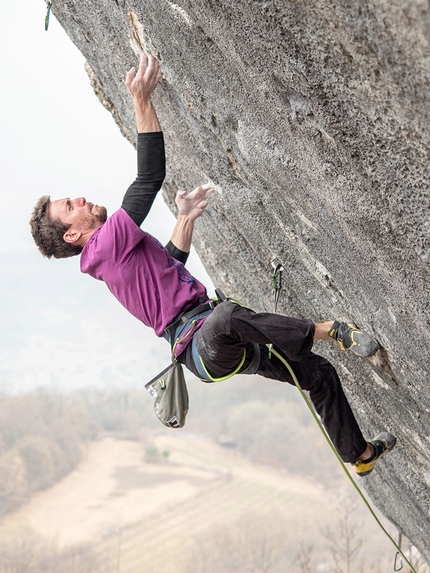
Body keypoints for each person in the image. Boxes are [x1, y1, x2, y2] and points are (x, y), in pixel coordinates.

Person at [29, 53, 395, 477]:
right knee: (225, 318)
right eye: (70, 206)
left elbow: (170, 266)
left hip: (211, 338)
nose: (79, 198)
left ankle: (361, 455)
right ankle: (331, 331)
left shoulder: (111, 255)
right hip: (202, 345)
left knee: (317, 373)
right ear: (72, 234)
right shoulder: (103, 245)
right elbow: (149, 178)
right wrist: (142, 100)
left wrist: (184, 218)